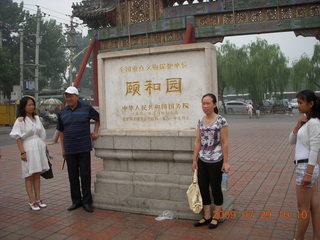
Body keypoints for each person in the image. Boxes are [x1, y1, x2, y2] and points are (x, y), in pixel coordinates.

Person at [57, 86, 100, 213]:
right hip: (70, 149)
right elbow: (61, 132)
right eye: (66, 96)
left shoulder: (86, 108)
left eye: (70, 96)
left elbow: (98, 118)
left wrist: (95, 132)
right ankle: (76, 201)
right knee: (73, 176)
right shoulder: (62, 112)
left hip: (83, 148)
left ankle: (87, 202)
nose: (68, 98)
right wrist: (63, 149)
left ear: (77, 96)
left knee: (85, 176)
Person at [192, 93, 230, 229]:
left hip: (216, 159)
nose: (205, 106)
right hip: (202, 159)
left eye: (208, 103)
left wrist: (226, 161)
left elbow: (225, 142)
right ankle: (207, 216)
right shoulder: (200, 121)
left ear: (214, 104)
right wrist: (194, 159)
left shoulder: (221, 121)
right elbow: (198, 141)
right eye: (203, 103)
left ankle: (217, 216)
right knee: (203, 187)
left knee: (215, 188)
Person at [288, 90, 320, 240]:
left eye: (301, 102)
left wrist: (308, 173)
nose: (298, 105)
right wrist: (297, 127)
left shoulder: (314, 123)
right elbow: (291, 141)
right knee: (314, 205)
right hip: (306, 166)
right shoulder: (307, 122)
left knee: (303, 208)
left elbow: (315, 148)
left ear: (311, 103)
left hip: (305, 167)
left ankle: (298, 238)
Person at [9, 96, 49, 211]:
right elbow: (18, 138)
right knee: (29, 174)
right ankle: (31, 200)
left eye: (33, 104)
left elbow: (42, 134)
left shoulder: (37, 118)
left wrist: (45, 147)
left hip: (39, 147)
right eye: (29, 105)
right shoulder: (20, 120)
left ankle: (38, 198)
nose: (31, 107)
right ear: (24, 106)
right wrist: (22, 153)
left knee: (37, 174)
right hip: (28, 148)